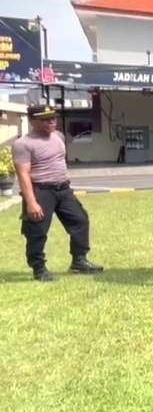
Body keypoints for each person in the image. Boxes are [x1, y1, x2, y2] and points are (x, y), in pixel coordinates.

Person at [13, 104, 103, 282]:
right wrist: (31, 202)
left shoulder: (58, 136)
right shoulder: (23, 144)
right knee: (37, 230)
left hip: (63, 189)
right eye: (45, 120)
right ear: (32, 121)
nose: (51, 122)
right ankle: (39, 268)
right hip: (40, 190)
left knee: (80, 220)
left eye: (53, 118)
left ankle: (79, 261)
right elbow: (23, 174)